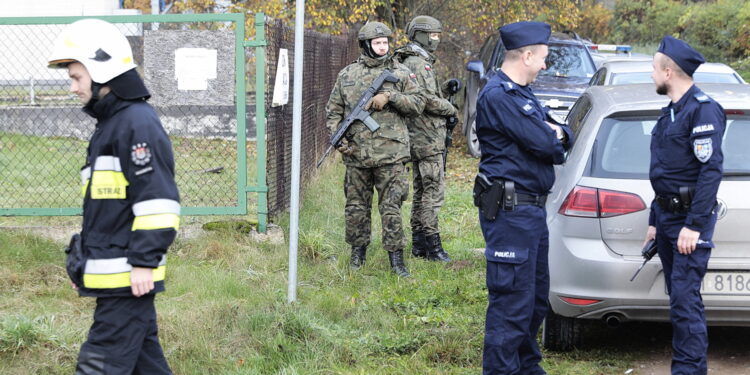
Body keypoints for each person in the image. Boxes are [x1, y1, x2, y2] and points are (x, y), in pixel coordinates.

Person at [48, 19, 179, 374]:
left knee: (99, 365)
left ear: (101, 70)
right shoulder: (112, 124)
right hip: (118, 277)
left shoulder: (136, 123)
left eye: (76, 77)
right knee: (144, 366)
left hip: (128, 278)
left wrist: (143, 262)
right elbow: (109, 211)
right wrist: (84, 260)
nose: (73, 87)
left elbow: (158, 202)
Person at [473, 21, 573, 374]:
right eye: (543, 58)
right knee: (511, 307)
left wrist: (556, 134)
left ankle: (527, 368)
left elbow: (564, 136)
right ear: (527, 55)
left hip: (530, 213)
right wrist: (553, 136)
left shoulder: (522, 92)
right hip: (510, 213)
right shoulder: (500, 95)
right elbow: (549, 143)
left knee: (534, 303)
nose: (545, 65)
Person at [643, 35, 725, 375]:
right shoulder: (672, 112)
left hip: (688, 221)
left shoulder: (702, 109)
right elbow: (666, 171)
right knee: (679, 300)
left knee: (685, 302)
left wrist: (693, 225)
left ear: (668, 72)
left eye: (653, 69)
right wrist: (653, 219)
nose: (651, 75)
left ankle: (689, 371)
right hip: (666, 218)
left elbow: (711, 170)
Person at [325, 21, 425, 277]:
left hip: (391, 154)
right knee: (356, 207)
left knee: (391, 208)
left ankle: (397, 260)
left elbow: (418, 104)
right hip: (356, 155)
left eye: (385, 42)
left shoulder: (400, 73)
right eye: (377, 43)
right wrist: (338, 138)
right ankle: (357, 254)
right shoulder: (347, 75)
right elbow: (334, 110)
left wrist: (390, 97)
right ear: (366, 45)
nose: (383, 47)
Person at [394, 15, 457, 262]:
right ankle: (432, 247)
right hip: (427, 136)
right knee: (432, 190)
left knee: (422, 189)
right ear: (420, 35)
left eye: (438, 35)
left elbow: (427, 92)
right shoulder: (419, 63)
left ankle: (419, 244)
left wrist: (445, 87)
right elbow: (427, 101)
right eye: (432, 35)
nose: (436, 39)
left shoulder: (413, 61)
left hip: (420, 136)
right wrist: (451, 109)